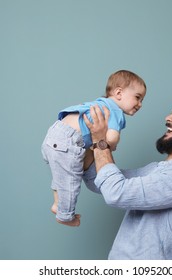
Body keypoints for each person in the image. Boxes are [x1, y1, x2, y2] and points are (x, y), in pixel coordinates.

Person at [82, 98, 172, 259]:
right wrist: (86, 138)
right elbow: (97, 181)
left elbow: (115, 193)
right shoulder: (156, 169)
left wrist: (100, 142)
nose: (168, 117)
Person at [41, 70, 147, 226]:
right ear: (119, 93)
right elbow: (111, 137)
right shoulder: (115, 111)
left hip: (55, 134)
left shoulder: (100, 103)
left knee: (63, 176)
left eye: (142, 100)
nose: (140, 104)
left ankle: (57, 203)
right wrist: (113, 144)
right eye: (137, 98)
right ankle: (65, 216)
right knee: (70, 182)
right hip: (69, 141)